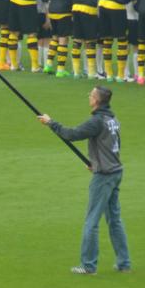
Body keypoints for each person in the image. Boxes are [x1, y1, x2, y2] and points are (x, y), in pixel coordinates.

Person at [38, 87, 130, 276]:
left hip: (104, 176)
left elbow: (72, 134)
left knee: (92, 221)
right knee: (114, 220)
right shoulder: (112, 119)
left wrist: (51, 123)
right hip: (115, 171)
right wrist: (96, 162)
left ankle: (88, 266)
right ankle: (124, 263)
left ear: (97, 100)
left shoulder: (96, 121)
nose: (89, 96)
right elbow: (113, 146)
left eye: (91, 94)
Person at [38, 0, 76, 78]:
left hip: (52, 9)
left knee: (54, 38)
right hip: (64, 11)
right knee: (63, 40)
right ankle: (60, 69)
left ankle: (48, 65)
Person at [98, 0, 139, 82]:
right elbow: (137, 3)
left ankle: (109, 75)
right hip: (116, 5)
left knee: (107, 39)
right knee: (122, 40)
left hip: (102, 2)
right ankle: (121, 75)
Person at [72, 0, 108, 79]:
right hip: (89, 9)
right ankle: (92, 72)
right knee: (90, 41)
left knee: (77, 40)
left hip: (75, 8)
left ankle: (76, 71)